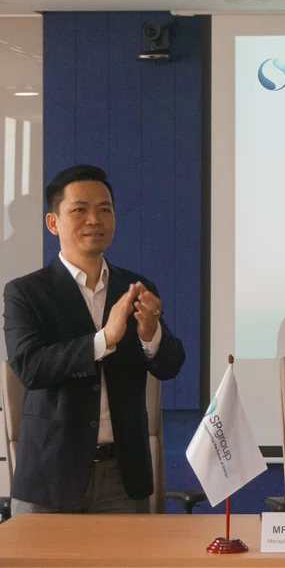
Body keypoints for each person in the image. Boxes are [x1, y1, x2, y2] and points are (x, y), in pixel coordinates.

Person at [3, 165, 185, 515]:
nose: (94, 219)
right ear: (53, 222)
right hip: (51, 478)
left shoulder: (134, 287)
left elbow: (171, 365)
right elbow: (30, 368)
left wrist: (152, 334)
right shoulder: (26, 292)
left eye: (105, 209)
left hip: (122, 476)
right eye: (80, 209)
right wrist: (103, 340)